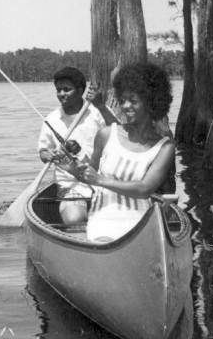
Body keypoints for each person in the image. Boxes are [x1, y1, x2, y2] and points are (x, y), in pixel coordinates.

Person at [73, 61, 175, 242]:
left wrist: (101, 180)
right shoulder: (106, 134)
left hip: (142, 221)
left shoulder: (164, 147)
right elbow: (89, 175)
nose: (126, 106)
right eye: (122, 101)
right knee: (106, 241)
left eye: (133, 101)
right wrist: (71, 167)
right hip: (103, 217)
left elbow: (145, 189)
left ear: (151, 102)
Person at [38, 67, 109, 225]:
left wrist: (101, 106)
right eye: (59, 90)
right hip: (71, 186)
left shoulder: (98, 112)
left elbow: (120, 133)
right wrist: (46, 155)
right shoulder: (52, 119)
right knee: (74, 219)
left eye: (67, 89)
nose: (61, 94)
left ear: (80, 90)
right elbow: (43, 151)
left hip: (105, 183)